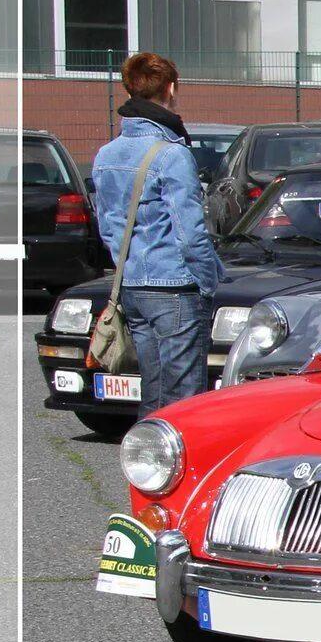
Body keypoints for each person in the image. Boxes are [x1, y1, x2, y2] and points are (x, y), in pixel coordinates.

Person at [91, 51, 222, 415]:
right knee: (183, 399)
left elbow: (107, 226)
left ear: (129, 89)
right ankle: (179, 454)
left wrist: (128, 269)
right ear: (171, 89)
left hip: (132, 286)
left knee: (153, 391)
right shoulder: (172, 154)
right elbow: (190, 233)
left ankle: (145, 450)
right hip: (174, 287)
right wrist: (208, 282)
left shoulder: (105, 154)